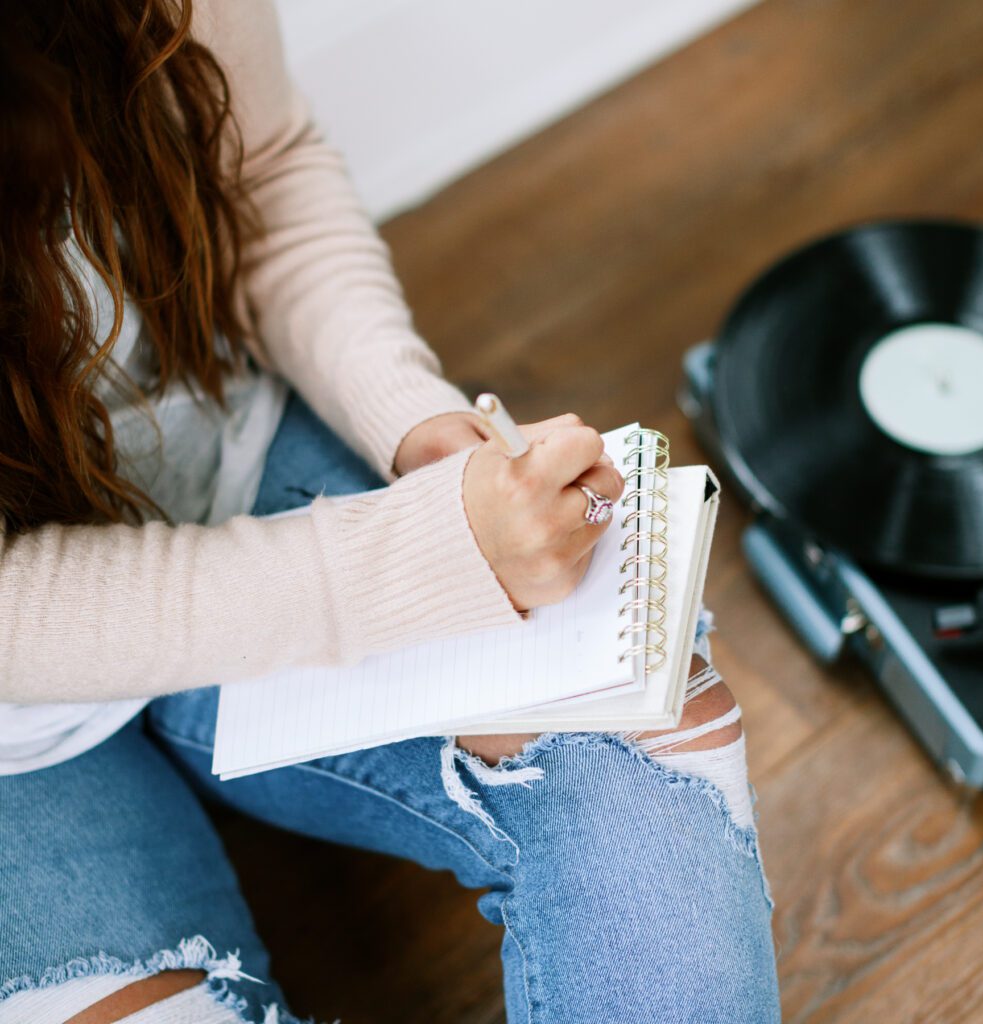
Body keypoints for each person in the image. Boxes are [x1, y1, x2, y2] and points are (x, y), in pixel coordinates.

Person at [0, 1, 780, 1021]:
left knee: (645, 744)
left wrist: (418, 427)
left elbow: (268, 165)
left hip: (222, 458)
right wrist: (412, 559)